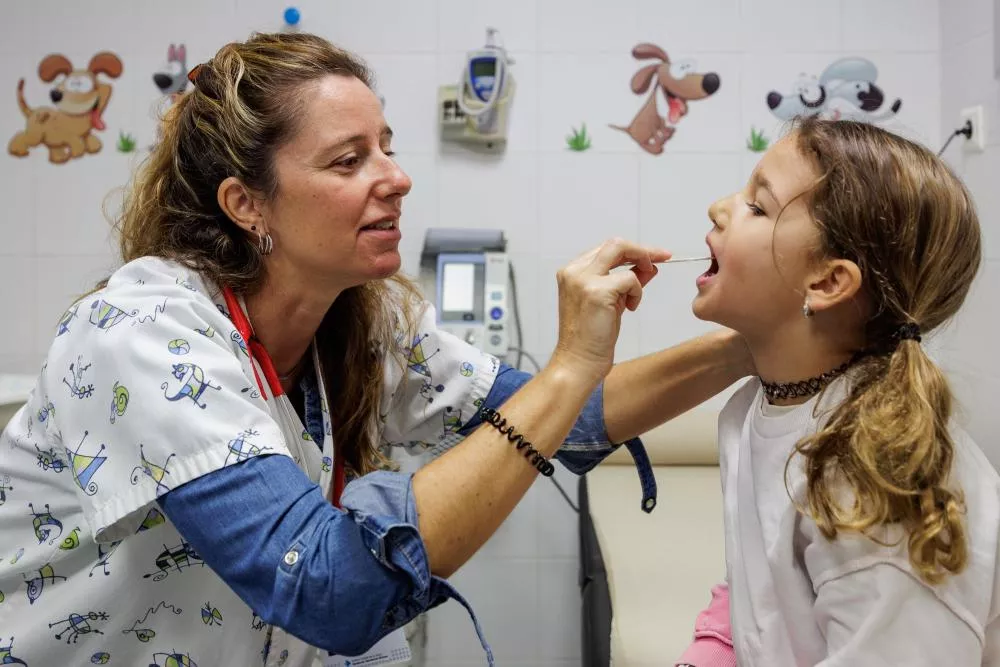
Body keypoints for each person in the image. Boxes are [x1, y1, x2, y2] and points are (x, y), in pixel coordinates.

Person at [0, 32, 753, 667]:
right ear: (247, 204)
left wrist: (749, 342)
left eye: (386, 148)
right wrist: (567, 366)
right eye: (348, 159)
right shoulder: (141, 333)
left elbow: (574, 415)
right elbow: (323, 583)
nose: (396, 178)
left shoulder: (362, 326)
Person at [673, 117, 1000, 667]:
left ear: (827, 282)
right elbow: (760, 595)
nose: (719, 207)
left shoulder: (876, 483)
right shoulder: (751, 412)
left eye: (758, 206)